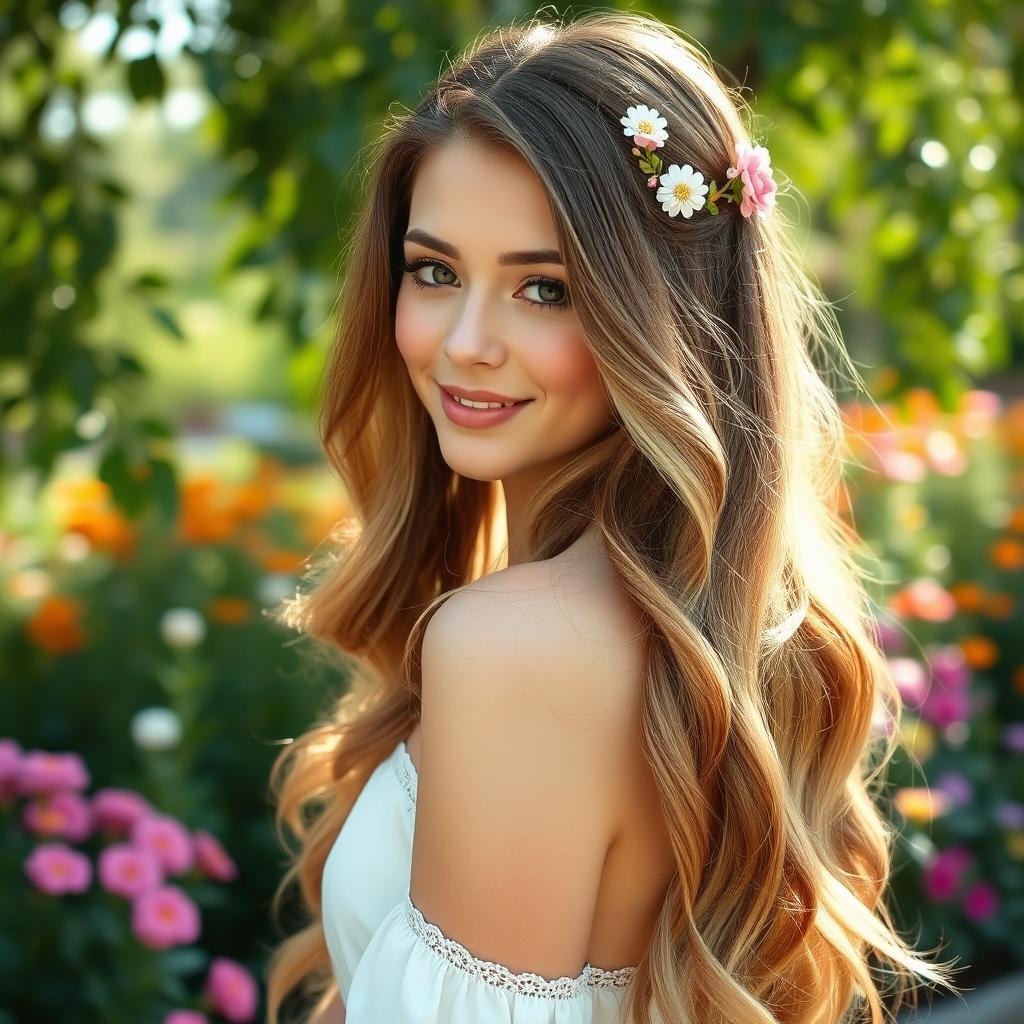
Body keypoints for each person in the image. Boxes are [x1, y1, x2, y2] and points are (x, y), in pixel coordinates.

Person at [262, 10, 963, 1024]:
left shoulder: (514, 647)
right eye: (434, 271)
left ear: (662, 318)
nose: (464, 342)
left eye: (544, 289)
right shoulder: (690, 626)